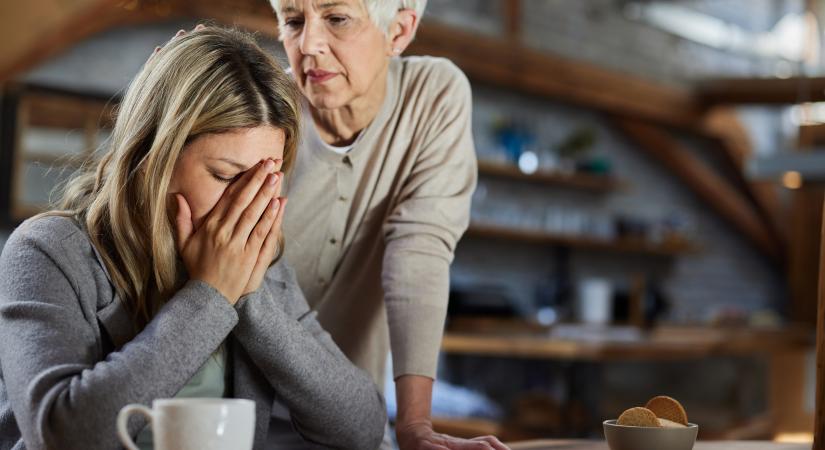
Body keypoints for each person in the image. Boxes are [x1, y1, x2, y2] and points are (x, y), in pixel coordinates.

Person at [0, 27, 386, 450]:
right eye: (225, 175)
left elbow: (362, 427)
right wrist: (212, 296)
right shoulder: (48, 251)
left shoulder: (263, 268)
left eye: (264, 181)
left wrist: (245, 295)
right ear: (153, 156)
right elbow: (61, 434)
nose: (247, 202)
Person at [268, 1, 509, 448]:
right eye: (294, 21)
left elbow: (420, 253)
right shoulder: (261, 110)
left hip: (348, 423)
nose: (309, 46)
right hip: (236, 417)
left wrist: (415, 426)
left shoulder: (433, 95)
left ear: (398, 31)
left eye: (337, 19)